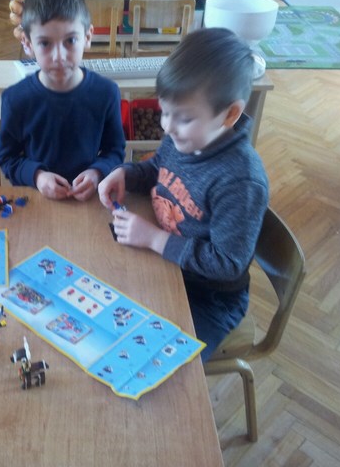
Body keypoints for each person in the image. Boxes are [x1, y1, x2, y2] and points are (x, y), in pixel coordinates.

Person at [98, 28, 269, 362]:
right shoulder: (186, 137)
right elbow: (157, 168)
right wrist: (126, 174)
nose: (167, 126)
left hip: (207, 298)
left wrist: (154, 239)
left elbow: (228, 264)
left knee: (158, 367)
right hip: (166, 264)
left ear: (230, 114)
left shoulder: (241, 181)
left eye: (184, 118)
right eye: (165, 112)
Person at [0, 0, 126, 201]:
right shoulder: (15, 99)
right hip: (39, 201)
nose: (59, 56)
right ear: (27, 43)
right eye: (45, 43)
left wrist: (97, 172)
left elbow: (115, 150)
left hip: (90, 202)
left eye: (70, 41)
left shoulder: (107, 93)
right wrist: (37, 176)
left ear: (87, 37)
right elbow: (7, 158)